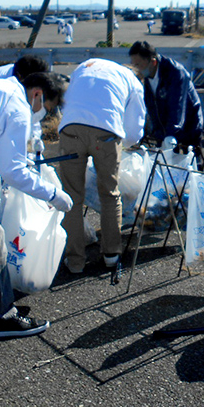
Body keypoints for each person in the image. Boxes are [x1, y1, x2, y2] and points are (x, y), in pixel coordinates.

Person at [0, 71, 72, 338]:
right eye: (48, 108)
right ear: (38, 94)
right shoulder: (17, 104)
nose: (43, 115)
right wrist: (53, 194)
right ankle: (1, 316)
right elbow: (13, 173)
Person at [58, 59, 146, 282]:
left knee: (71, 197)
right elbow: (135, 127)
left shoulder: (85, 65)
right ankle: (111, 256)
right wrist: (127, 143)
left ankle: (75, 261)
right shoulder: (132, 81)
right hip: (105, 133)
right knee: (109, 193)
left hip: (70, 129)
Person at [128, 40, 204, 153]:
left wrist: (171, 133)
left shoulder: (175, 73)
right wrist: (157, 132)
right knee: (164, 165)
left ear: (153, 62)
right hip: (163, 130)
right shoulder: (146, 76)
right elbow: (150, 106)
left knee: (190, 163)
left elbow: (177, 105)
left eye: (138, 64)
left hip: (189, 126)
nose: (136, 68)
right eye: (133, 64)